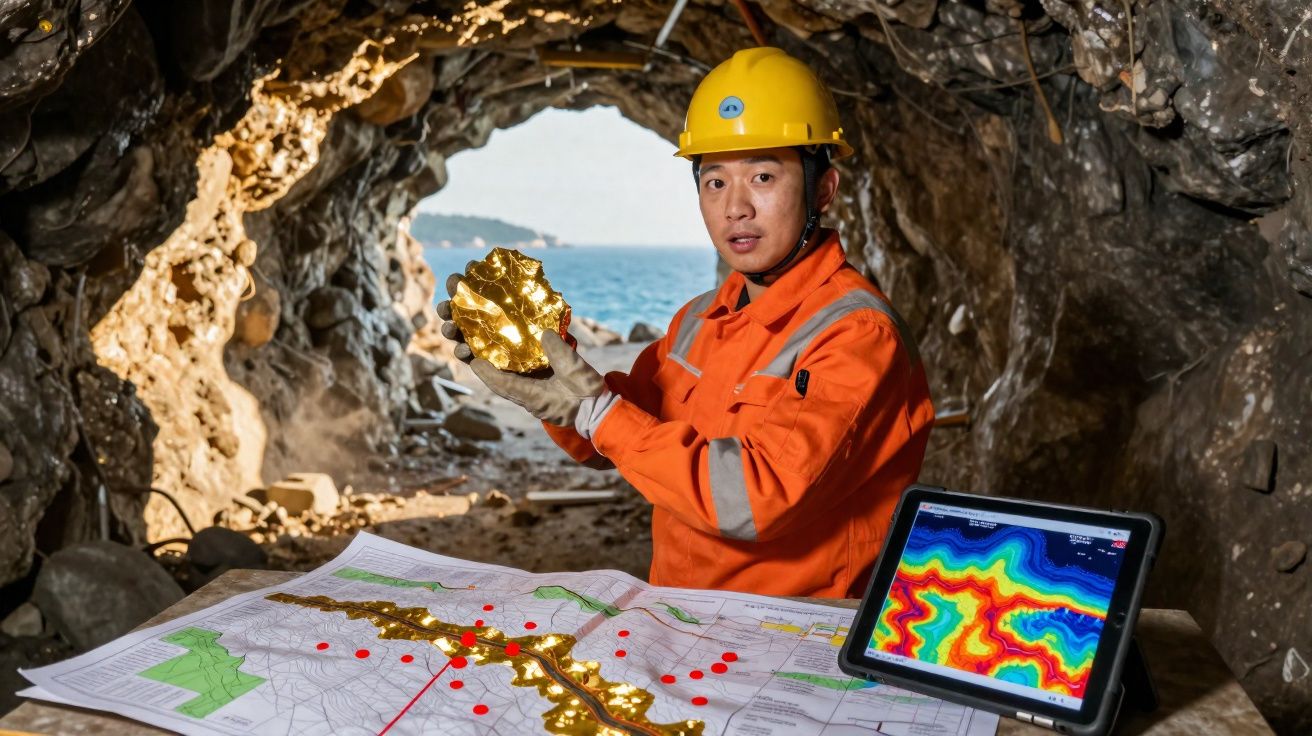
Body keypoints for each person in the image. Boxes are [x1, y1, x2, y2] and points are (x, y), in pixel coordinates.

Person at [436, 47, 934, 598]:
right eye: (715, 182)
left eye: (763, 176)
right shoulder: (699, 318)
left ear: (823, 189)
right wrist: (545, 378)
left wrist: (596, 414)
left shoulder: (857, 335)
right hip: (681, 614)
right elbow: (616, 437)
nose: (734, 208)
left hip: (794, 636)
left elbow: (756, 499)